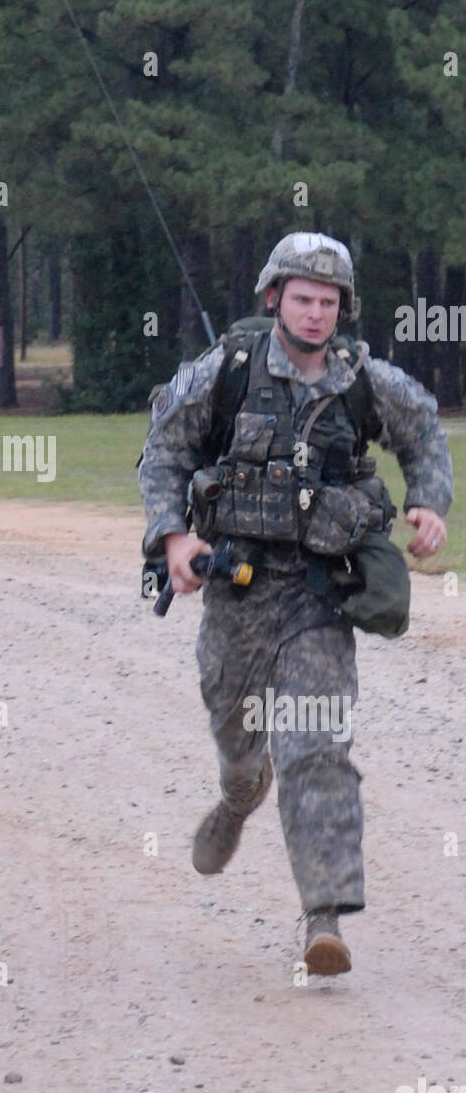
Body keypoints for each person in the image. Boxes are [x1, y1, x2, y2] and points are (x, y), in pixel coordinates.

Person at [138, 232, 454, 974]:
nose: (317, 314)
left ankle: (325, 915)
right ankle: (239, 793)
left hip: (318, 594)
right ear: (274, 297)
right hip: (236, 591)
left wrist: (430, 503)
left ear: (343, 309)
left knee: (317, 748)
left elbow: (425, 434)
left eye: (329, 302)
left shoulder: (363, 380)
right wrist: (174, 539)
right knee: (237, 735)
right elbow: (164, 452)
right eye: (304, 299)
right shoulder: (227, 372)